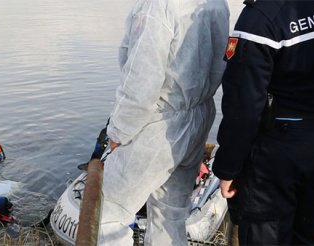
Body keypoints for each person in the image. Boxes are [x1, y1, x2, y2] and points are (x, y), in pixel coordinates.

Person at [98, 0, 229, 244]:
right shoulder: (216, 4)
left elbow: (141, 82)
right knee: (170, 216)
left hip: (158, 125)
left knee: (108, 215)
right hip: (198, 116)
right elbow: (220, 64)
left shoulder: (158, 6)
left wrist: (117, 133)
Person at [212, 1, 314, 245]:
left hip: (276, 155)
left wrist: (228, 169)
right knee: (308, 235)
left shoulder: (259, 19)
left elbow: (244, 107)